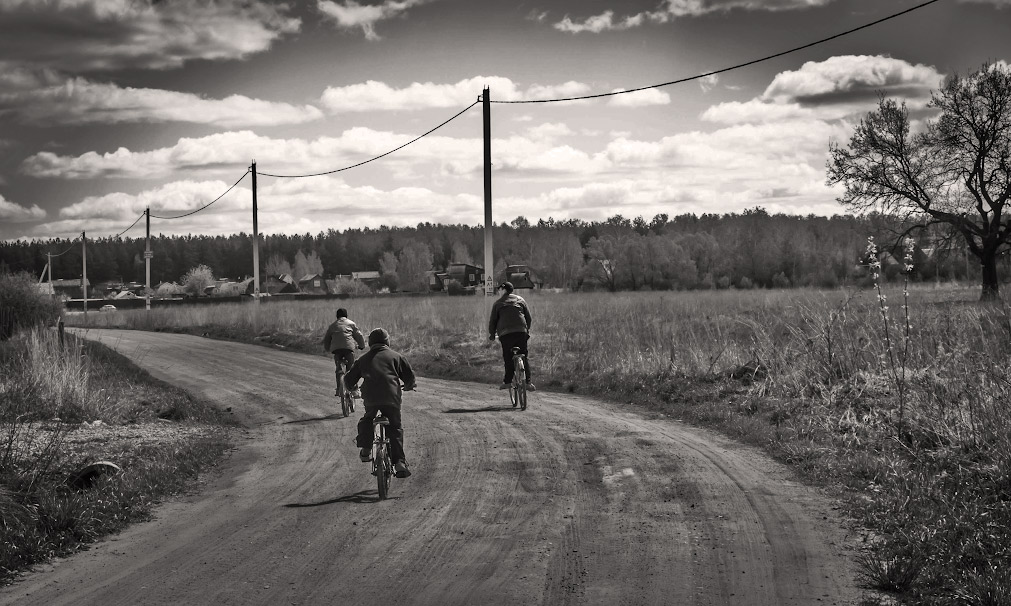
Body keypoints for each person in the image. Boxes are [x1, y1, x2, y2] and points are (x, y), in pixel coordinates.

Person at [345, 328, 417, 478]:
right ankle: (399, 463)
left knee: (367, 419)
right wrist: (409, 386)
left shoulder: (363, 360)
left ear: (370, 343)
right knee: (395, 427)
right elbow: (409, 377)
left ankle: (365, 449)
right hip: (391, 398)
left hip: (371, 398)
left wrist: (352, 388)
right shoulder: (397, 357)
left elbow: (348, 380)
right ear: (387, 341)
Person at [488, 281, 535, 391]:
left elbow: (493, 321)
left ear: (503, 290)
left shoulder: (498, 303)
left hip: (505, 334)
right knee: (523, 355)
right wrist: (526, 330)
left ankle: (508, 382)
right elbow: (528, 318)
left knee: (508, 357)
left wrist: (491, 334)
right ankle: (527, 382)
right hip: (521, 332)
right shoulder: (520, 300)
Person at [322, 308, 365, 399]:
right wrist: (362, 346)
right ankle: (354, 390)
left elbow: (327, 339)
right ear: (346, 315)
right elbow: (359, 335)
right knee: (351, 369)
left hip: (336, 350)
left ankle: (338, 389)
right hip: (348, 348)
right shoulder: (351, 324)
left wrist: (327, 348)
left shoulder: (332, 326)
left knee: (338, 368)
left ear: (337, 316)